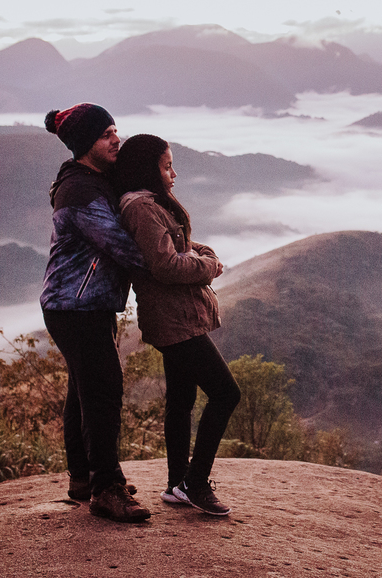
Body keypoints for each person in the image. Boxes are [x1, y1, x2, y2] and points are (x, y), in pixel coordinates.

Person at [112, 134, 241, 516]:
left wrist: (204, 255)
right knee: (226, 394)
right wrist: (208, 266)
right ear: (147, 168)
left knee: (181, 401)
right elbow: (165, 265)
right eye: (167, 166)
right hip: (174, 319)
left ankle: (176, 484)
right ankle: (195, 483)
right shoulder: (141, 208)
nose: (174, 173)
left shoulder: (151, 205)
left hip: (176, 317)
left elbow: (180, 243)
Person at [40, 103, 151, 523]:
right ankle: (107, 487)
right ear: (86, 143)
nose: (115, 140)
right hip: (76, 306)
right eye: (106, 134)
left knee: (84, 390)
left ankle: (84, 479)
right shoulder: (81, 193)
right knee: (103, 389)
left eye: (115, 131)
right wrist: (178, 258)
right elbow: (124, 247)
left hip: (79, 304)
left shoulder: (88, 181)